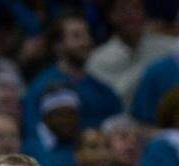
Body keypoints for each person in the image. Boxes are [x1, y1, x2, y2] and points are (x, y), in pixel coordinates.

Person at [21, 11, 122, 139]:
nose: (86, 41)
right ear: (58, 45)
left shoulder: (103, 91)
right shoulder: (40, 88)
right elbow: (34, 137)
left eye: (87, 34)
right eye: (76, 36)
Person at [85, 0, 179, 108]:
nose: (132, 15)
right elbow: (112, 99)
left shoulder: (170, 47)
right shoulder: (97, 60)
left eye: (136, 8)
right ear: (111, 16)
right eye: (123, 9)